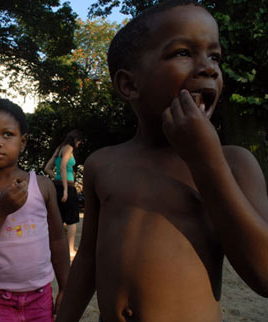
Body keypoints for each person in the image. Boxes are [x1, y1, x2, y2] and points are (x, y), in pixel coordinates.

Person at [55, 1, 268, 321]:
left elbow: (264, 275)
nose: (209, 67)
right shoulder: (104, 163)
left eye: (214, 56)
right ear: (129, 84)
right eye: (184, 52)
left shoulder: (234, 163)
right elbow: (87, 260)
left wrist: (204, 159)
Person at [0, 98, 70, 321]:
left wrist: (65, 287)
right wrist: (0, 210)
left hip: (40, 299)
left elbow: (57, 240)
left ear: (22, 142)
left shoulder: (42, 186)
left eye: (7, 134)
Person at [44, 130, 83, 260]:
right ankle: (70, 250)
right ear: (76, 139)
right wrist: (66, 188)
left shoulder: (59, 148)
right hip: (68, 188)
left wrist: (57, 179)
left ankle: (55, 249)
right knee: (72, 220)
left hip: (57, 186)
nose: (79, 144)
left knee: (59, 219)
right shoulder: (69, 148)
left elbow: (47, 168)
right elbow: (63, 166)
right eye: (79, 142)